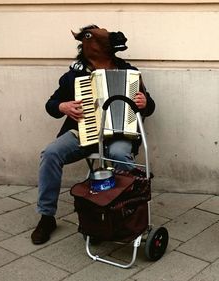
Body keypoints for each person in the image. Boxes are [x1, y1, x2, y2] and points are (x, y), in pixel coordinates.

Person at [31, 25, 155, 245]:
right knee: (51, 153)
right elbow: (51, 105)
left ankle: (122, 214)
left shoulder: (129, 72)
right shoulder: (74, 76)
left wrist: (144, 103)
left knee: (118, 154)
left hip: (120, 134)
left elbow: (149, 106)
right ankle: (47, 216)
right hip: (83, 132)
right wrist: (63, 106)